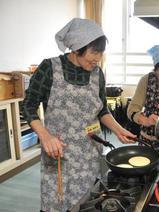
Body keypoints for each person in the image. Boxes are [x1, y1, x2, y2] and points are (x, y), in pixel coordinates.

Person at [22, 18, 136, 212]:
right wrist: (45, 136)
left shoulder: (97, 73)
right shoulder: (49, 68)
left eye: (100, 52)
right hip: (59, 152)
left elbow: (101, 109)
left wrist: (119, 129)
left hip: (89, 153)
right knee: (56, 202)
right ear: (76, 48)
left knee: (88, 202)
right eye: (94, 52)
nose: (98, 57)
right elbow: (28, 106)